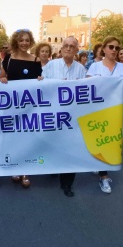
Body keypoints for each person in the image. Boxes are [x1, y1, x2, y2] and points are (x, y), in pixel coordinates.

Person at [41, 36, 86, 197]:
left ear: (76, 50)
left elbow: (85, 93)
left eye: (72, 46)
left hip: (72, 118)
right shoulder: (51, 66)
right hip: (53, 115)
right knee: (54, 146)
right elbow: (41, 87)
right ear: (61, 48)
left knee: (71, 149)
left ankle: (67, 184)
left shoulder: (81, 69)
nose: (68, 48)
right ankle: (54, 168)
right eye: (66, 45)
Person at [86, 36, 123, 194]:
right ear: (103, 49)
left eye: (117, 48)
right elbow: (88, 86)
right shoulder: (95, 67)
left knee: (111, 143)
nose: (114, 50)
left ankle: (100, 166)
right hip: (99, 111)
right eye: (111, 47)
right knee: (102, 141)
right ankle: (104, 178)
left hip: (116, 111)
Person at [0, 29, 42, 188]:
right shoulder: (9, 59)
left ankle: (26, 171)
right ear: (16, 42)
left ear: (31, 42)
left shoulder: (36, 60)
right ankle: (16, 166)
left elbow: (40, 82)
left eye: (27, 40)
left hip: (29, 107)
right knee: (14, 138)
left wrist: (41, 79)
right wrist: (2, 79)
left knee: (28, 138)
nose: (24, 43)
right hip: (11, 105)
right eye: (21, 40)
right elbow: (2, 78)